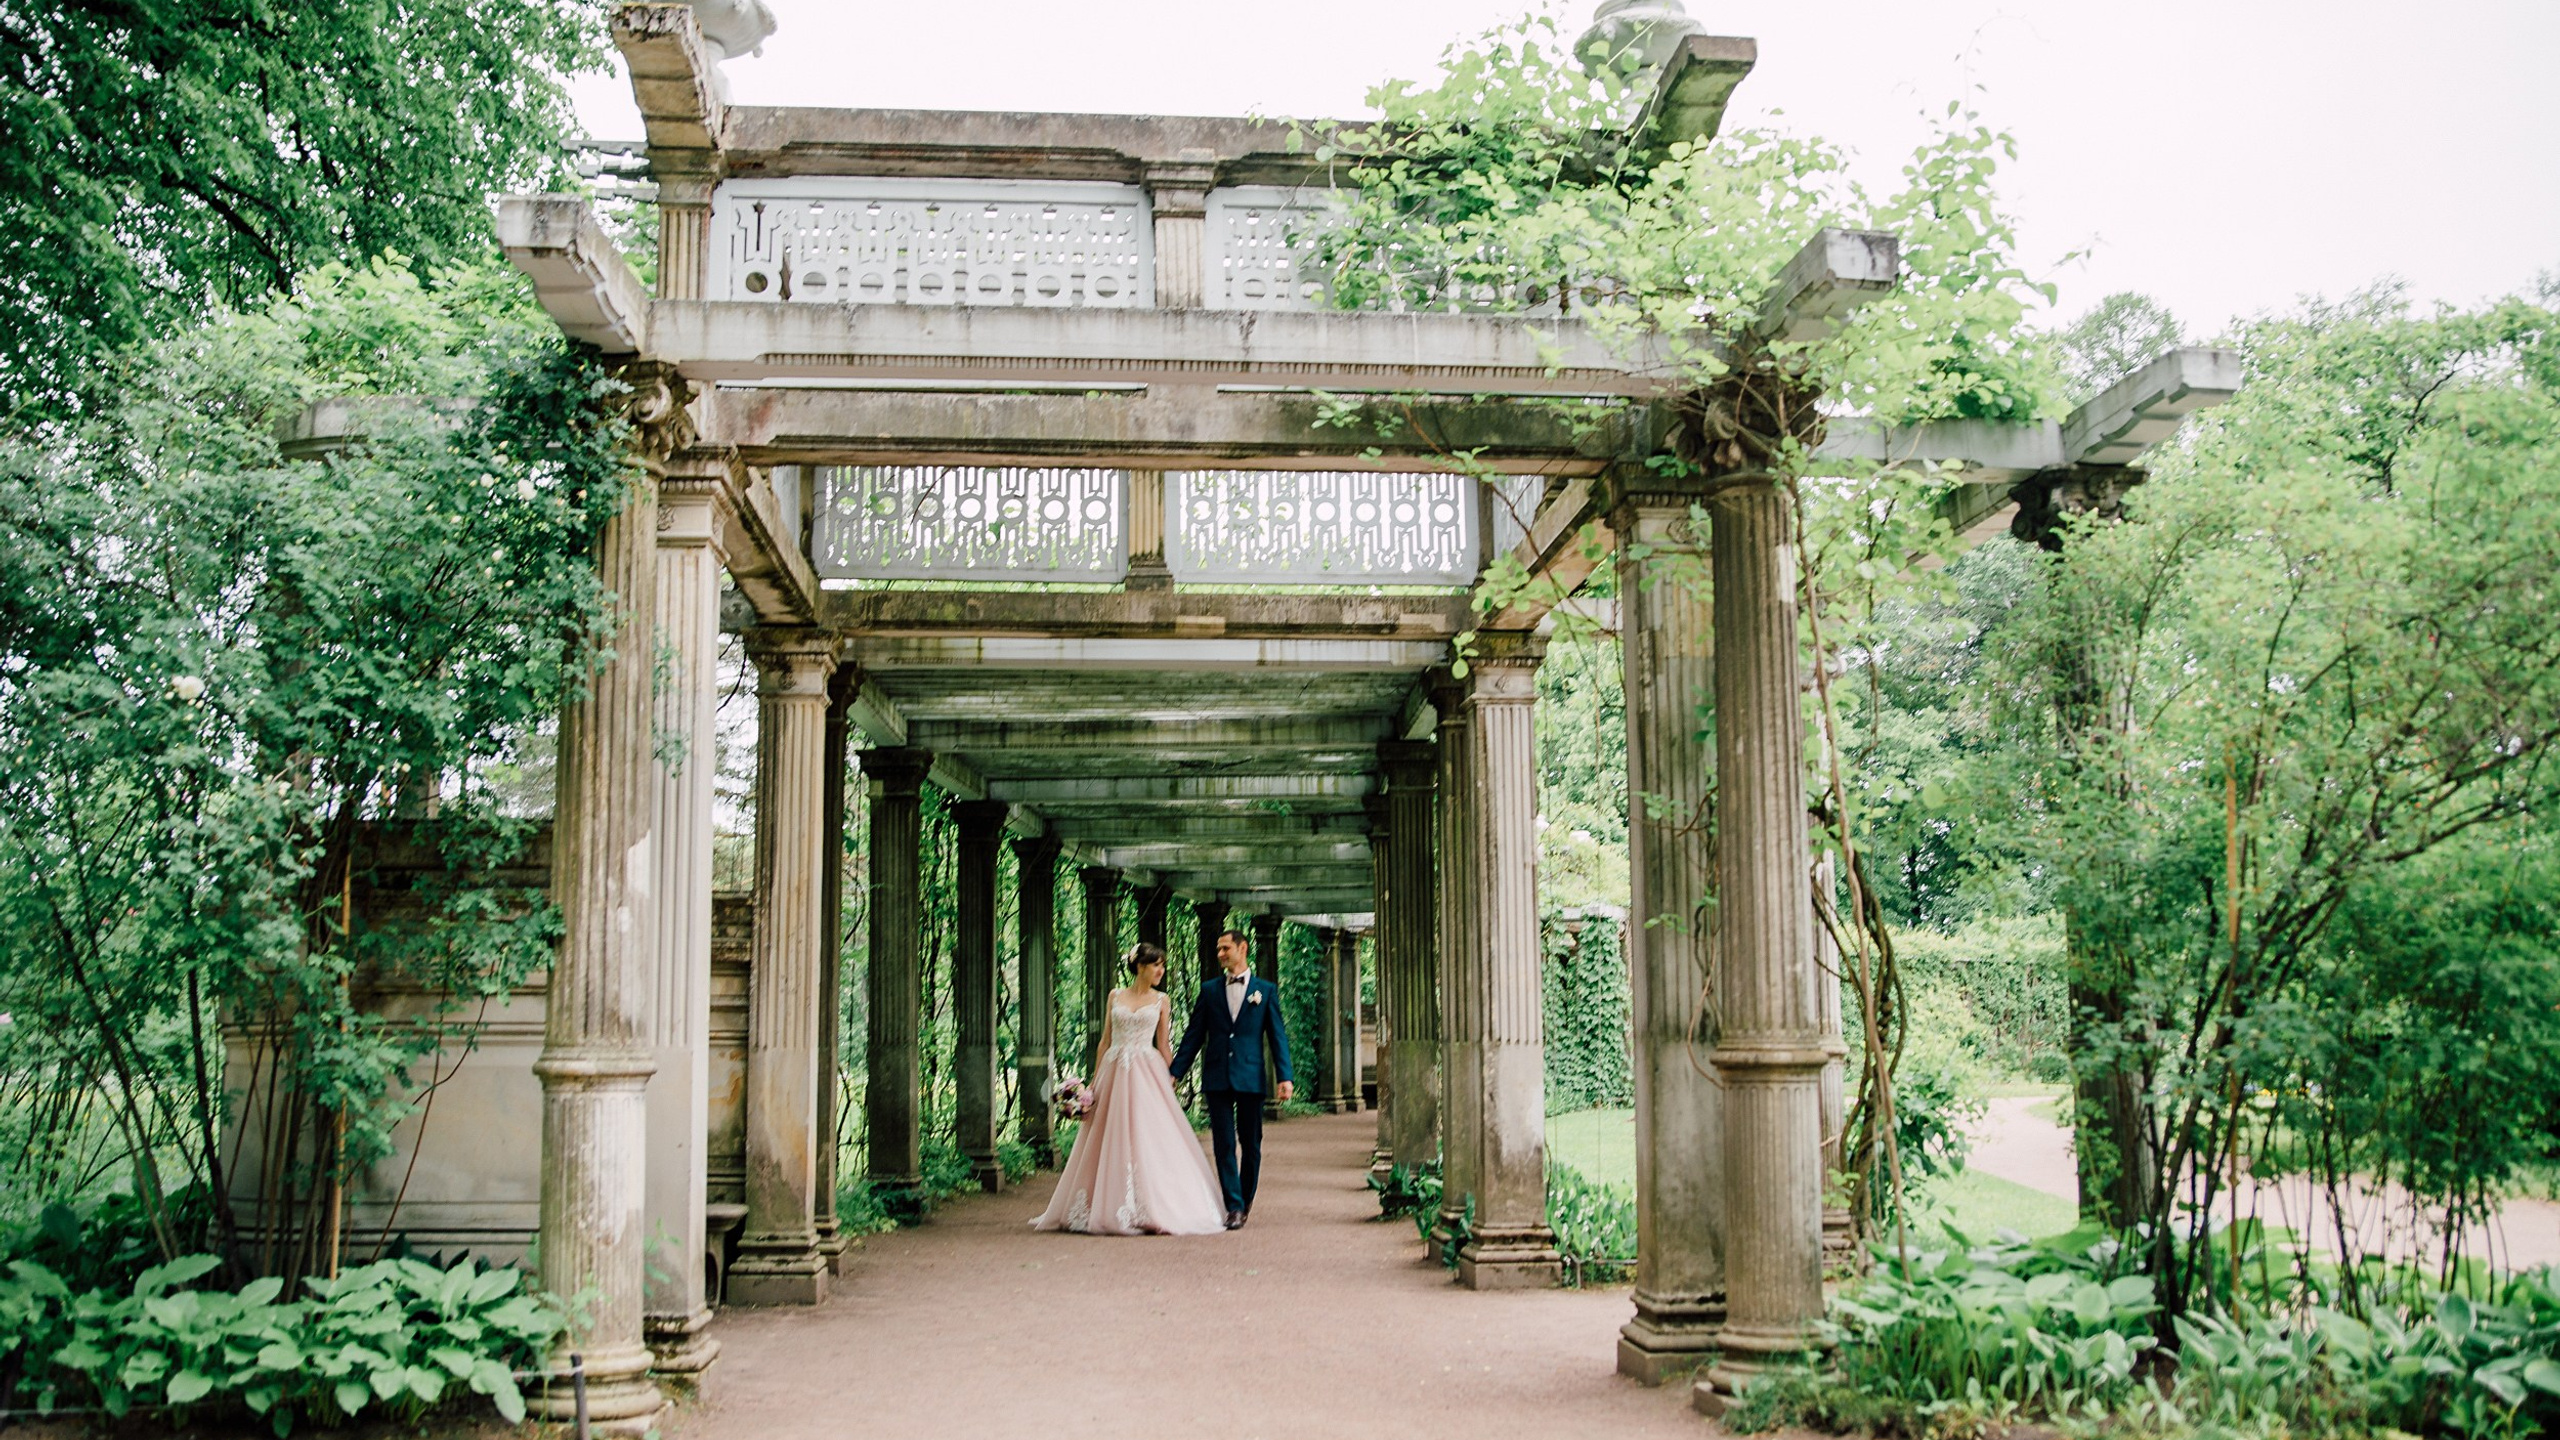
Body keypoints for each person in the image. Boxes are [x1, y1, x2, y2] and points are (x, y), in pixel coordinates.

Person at [1030, 943, 1226, 1236]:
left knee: (1146, 1135)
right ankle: (1101, 1204)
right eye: (1156, 965)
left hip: (1147, 1072)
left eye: (1163, 966)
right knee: (1105, 1135)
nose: (1161, 971)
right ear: (1140, 967)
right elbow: (1105, 1041)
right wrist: (1092, 1084)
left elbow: (1163, 1044)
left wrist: (1173, 1076)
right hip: (1113, 1070)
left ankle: (1150, 1205)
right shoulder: (1115, 996)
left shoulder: (1162, 1000)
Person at [1169, 927, 1293, 1230]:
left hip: (1251, 1076)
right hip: (1217, 1076)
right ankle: (1234, 1206)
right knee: (1223, 1144)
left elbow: (1278, 1037)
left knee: (1251, 1144)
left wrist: (1284, 1076)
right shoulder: (1209, 990)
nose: (1220, 954)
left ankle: (1246, 1197)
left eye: (1225, 948)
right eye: (1218, 949)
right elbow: (1194, 1035)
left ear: (1242, 948)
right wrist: (1175, 1072)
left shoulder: (1265, 991)